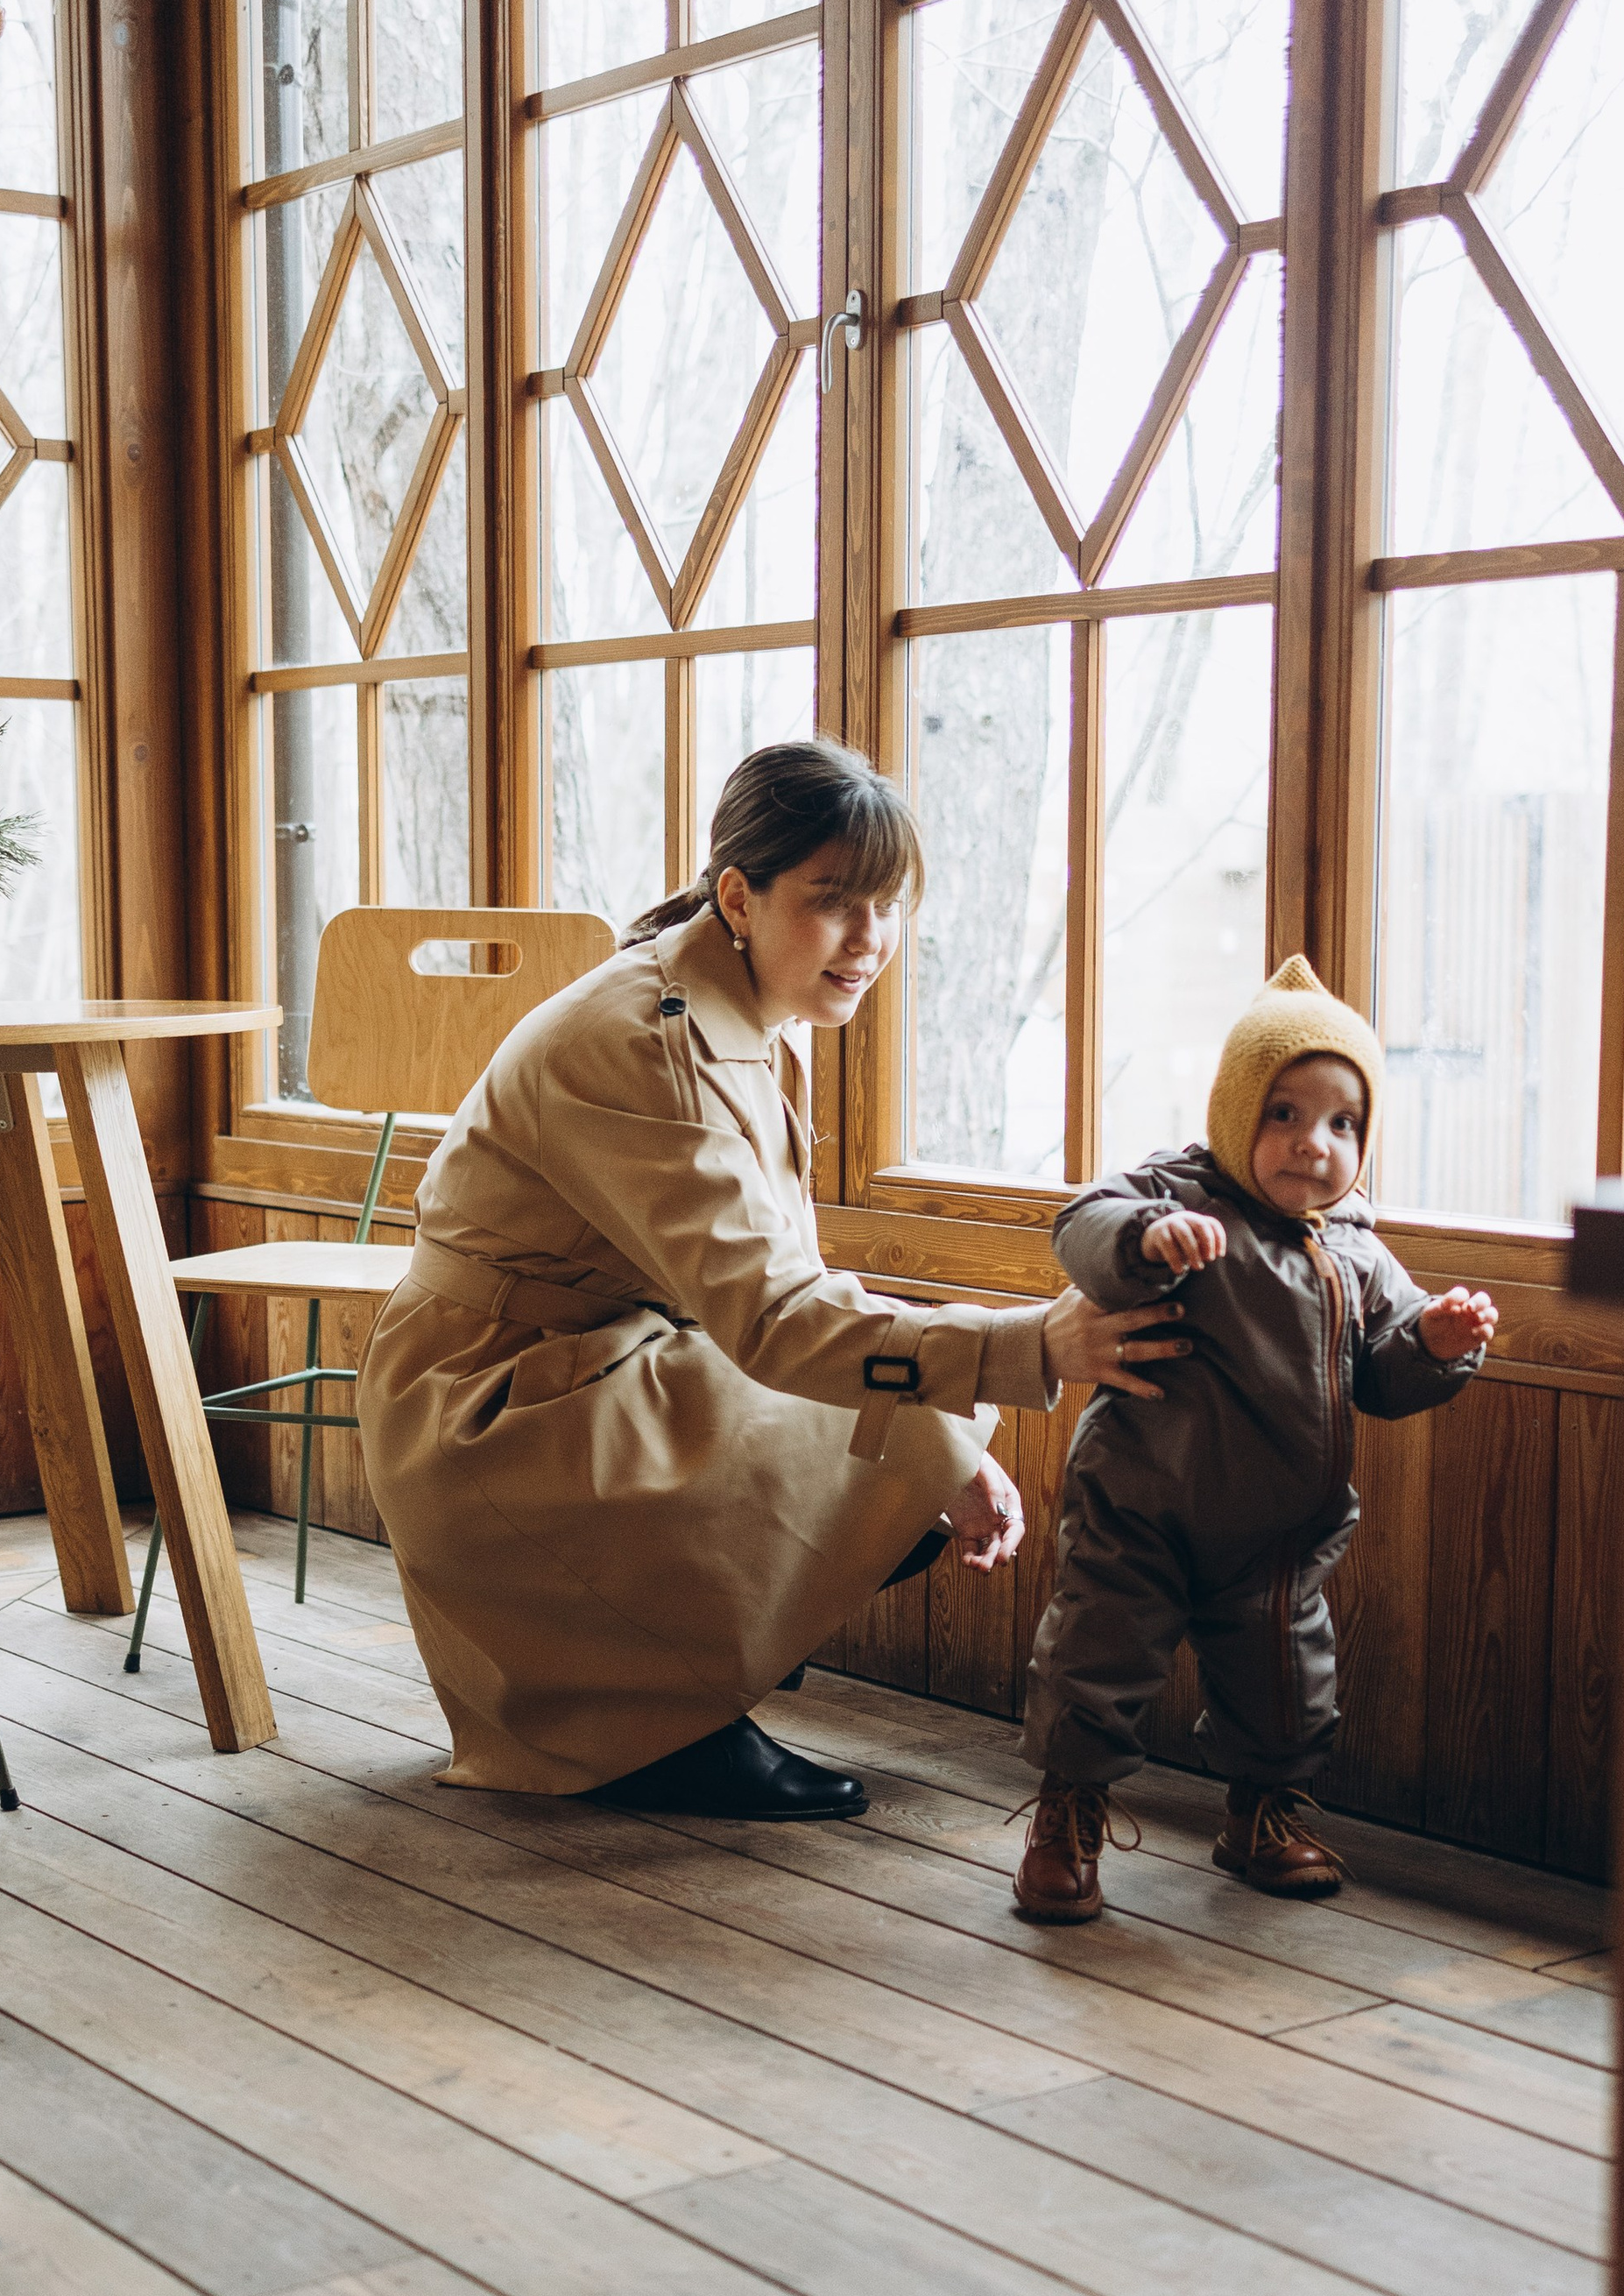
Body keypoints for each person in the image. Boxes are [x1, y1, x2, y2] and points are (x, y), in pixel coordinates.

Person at [357, 739, 1176, 1823]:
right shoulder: (646, 1040)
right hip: (493, 1408)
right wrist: (1030, 1350)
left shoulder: (725, 1000)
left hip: (595, 1367)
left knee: (924, 1424)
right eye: (832, 901)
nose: (868, 940)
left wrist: (943, 1448)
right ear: (738, 895)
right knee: (919, 1415)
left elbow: (778, 1283)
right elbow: (778, 1318)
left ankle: (669, 1704)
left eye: (885, 904)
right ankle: (654, 1728)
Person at [1014, 954, 1499, 1921]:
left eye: (1340, 1123)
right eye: (1282, 1113)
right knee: (1095, 1662)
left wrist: (1436, 1345)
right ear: (1235, 1112)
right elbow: (1081, 1225)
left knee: (1287, 1685)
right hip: (1141, 1502)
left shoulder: (1355, 1249)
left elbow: (1384, 1376)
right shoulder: (1183, 1193)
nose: (1311, 1144)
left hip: (1279, 1532)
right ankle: (1065, 1819)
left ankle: (1262, 1812)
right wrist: (1145, 1236)